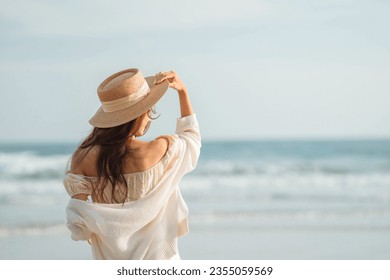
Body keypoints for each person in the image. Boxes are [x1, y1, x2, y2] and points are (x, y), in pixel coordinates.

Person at [63, 68, 201, 260]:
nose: (149, 115)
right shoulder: (160, 149)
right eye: (149, 109)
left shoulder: (83, 157)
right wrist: (182, 91)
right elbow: (191, 139)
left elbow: (79, 226)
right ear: (140, 113)